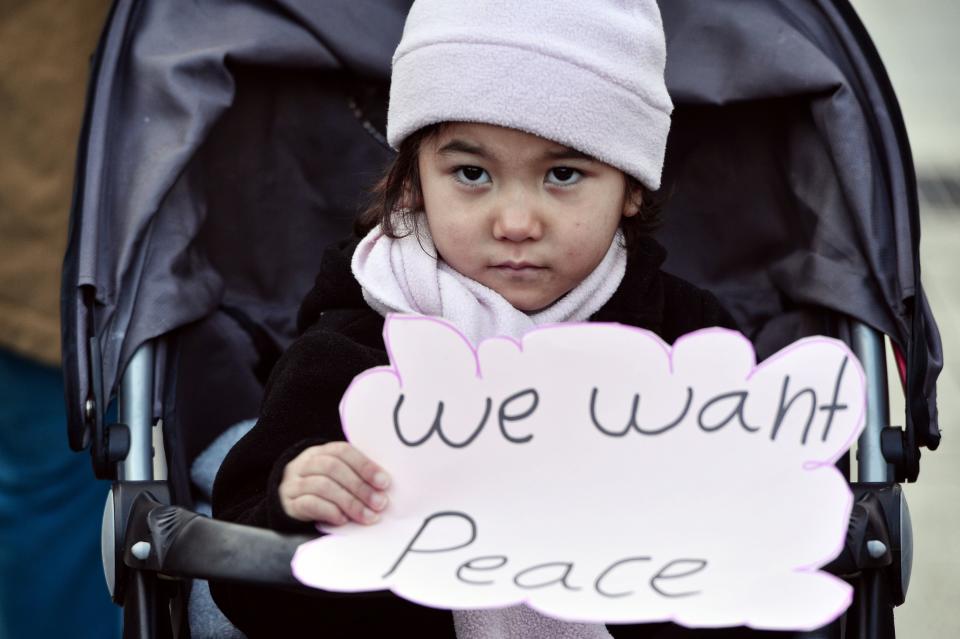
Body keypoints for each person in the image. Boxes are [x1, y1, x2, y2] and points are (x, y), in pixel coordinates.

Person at [210, 1, 762, 637]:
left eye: (563, 174)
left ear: (632, 186)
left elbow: (773, 536)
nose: (517, 223)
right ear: (414, 182)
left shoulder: (688, 345)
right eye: (471, 174)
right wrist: (296, 510)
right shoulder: (355, 350)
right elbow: (240, 588)